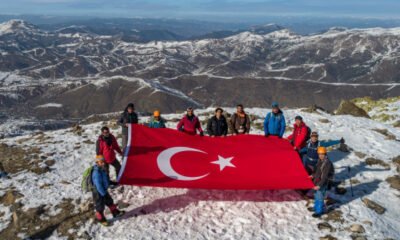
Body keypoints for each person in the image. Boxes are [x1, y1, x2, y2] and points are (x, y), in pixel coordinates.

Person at [92, 155, 124, 225]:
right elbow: (98, 185)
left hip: (103, 190)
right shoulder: (96, 172)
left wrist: (112, 183)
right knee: (100, 207)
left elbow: (105, 180)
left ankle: (115, 213)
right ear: (97, 162)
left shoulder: (102, 169)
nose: (103, 163)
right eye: (101, 162)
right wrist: (103, 194)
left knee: (110, 201)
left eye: (103, 161)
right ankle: (101, 220)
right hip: (98, 192)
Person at [310, 147, 334, 218]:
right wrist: (312, 175)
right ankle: (315, 207)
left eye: (322, 154)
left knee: (320, 196)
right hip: (317, 181)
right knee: (316, 195)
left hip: (322, 183)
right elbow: (318, 171)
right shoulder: (320, 160)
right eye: (319, 154)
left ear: (325, 154)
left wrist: (319, 185)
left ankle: (319, 211)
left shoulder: (327, 163)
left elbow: (325, 176)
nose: (321, 155)